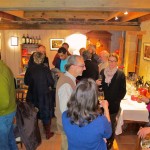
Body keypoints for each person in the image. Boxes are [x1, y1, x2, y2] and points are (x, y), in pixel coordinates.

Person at [62, 78, 112, 150]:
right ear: (94, 98)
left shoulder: (65, 115)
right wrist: (106, 109)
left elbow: (79, 133)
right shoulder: (100, 120)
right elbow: (108, 134)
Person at [55, 55, 85, 150]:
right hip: (68, 124)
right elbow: (66, 111)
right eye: (82, 66)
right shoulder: (66, 84)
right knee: (67, 146)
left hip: (69, 123)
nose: (85, 68)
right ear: (72, 66)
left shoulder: (69, 79)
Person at [99, 53, 126, 149]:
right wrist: (98, 85)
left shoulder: (120, 74)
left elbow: (123, 91)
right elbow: (99, 88)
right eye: (110, 60)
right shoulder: (102, 72)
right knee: (101, 123)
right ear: (107, 61)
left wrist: (115, 100)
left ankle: (110, 142)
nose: (111, 63)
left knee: (110, 125)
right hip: (102, 105)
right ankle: (102, 140)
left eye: (114, 61)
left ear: (117, 62)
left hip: (113, 106)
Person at [24, 52, 54, 139]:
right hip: (44, 95)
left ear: (33, 58)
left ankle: (35, 135)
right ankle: (47, 134)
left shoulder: (29, 69)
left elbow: (26, 82)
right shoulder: (45, 69)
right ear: (42, 59)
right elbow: (51, 82)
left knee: (33, 114)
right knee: (45, 114)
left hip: (32, 94)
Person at [0, 58, 18, 150]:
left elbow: (4, 102)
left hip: (3, 114)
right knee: (10, 140)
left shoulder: (1, 73)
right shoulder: (4, 67)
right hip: (9, 111)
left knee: (2, 144)